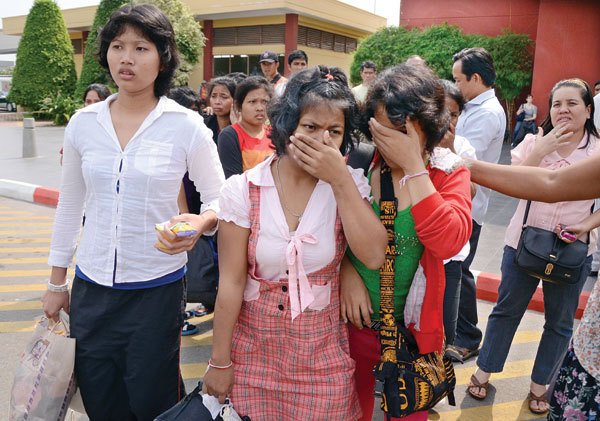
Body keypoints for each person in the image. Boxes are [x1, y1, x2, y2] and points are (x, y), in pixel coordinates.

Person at [42, 5, 225, 420]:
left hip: (156, 291)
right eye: (118, 46)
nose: (127, 58)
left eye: (141, 48)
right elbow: (70, 204)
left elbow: (221, 198)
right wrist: (56, 282)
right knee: (99, 397)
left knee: (152, 399)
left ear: (162, 57)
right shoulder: (83, 123)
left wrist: (201, 222)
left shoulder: (185, 125)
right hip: (91, 289)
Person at [202, 65, 387, 420]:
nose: (322, 140)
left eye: (334, 131)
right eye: (310, 127)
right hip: (253, 353)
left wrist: (339, 180)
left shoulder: (350, 184)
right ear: (287, 125)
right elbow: (231, 282)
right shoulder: (243, 189)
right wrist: (219, 361)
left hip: (322, 355)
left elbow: (374, 254)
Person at [341, 64, 473, 421]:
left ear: (428, 127)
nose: (389, 142)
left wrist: (414, 166)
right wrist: (345, 270)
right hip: (353, 324)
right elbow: (328, 229)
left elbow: (448, 241)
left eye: (401, 132)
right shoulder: (360, 162)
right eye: (381, 129)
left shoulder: (448, 171)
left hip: (415, 334)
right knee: (350, 411)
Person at [464, 81, 600, 421]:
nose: (563, 110)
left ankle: (540, 385)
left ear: (588, 110)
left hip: (573, 250)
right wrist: (541, 149)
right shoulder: (533, 141)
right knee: (506, 311)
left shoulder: (597, 152)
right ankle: (484, 371)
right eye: (557, 104)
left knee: (559, 323)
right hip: (523, 244)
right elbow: (512, 182)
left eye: (572, 103)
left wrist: (587, 225)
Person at [445, 47, 506, 363]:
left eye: (458, 80)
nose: (455, 85)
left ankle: (468, 337)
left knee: (460, 270)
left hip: (468, 204)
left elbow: (467, 161)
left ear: (476, 78)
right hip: (461, 202)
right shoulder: (472, 106)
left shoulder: (487, 113)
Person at [438, 79, 477, 347]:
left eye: (453, 115)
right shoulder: (413, 142)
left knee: (445, 329)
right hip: (418, 249)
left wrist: (450, 151)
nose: (446, 120)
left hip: (450, 256)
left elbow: (470, 191)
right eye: (440, 112)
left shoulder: (462, 147)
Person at [217, 76, 274, 179]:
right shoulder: (230, 136)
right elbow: (234, 181)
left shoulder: (275, 134)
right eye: (252, 102)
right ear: (238, 106)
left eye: (265, 102)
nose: (260, 108)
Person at [60, 84, 112, 165]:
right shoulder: (78, 125)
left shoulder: (114, 126)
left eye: (97, 102)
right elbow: (64, 160)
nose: (92, 105)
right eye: (88, 101)